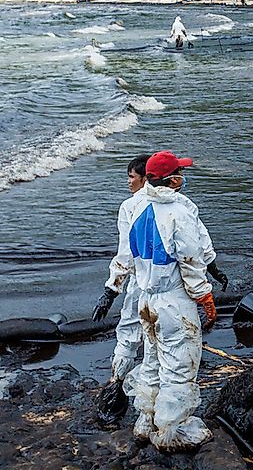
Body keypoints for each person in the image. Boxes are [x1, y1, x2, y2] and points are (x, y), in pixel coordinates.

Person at [110, 151, 218, 450]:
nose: (182, 178)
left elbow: (125, 257)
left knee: (152, 360)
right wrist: (204, 296)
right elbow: (190, 259)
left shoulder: (136, 207)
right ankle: (172, 430)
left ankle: (146, 420)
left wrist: (113, 287)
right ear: (172, 179)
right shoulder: (179, 212)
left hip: (146, 298)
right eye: (179, 173)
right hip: (173, 300)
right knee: (179, 364)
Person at [91, 155, 151, 414]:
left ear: (145, 178)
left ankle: (116, 383)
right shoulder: (179, 203)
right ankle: (150, 390)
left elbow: (126, 253)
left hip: (140, 281)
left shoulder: (130, 207)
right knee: (157, 339)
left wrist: (110, 290)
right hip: (170, 284)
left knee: (128, 332)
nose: (128, 182)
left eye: (131, 177)